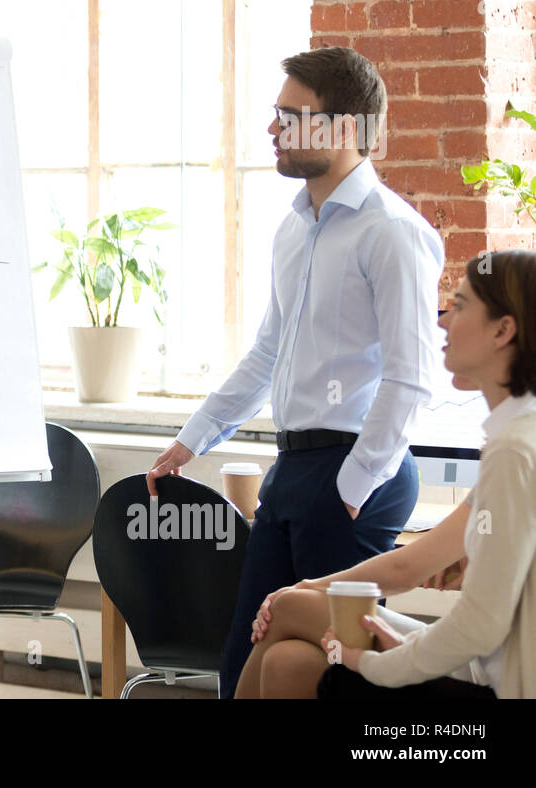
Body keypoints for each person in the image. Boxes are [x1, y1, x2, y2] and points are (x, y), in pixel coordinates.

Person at [146, 47, 444, 697]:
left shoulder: (392, 231)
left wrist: (353, 485)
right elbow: (266, 354)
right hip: (294, 468)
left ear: (341, 129)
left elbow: (411, 375)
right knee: (243, 662)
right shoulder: (292, 230)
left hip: (350, 471)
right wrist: (193, 438)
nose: (273, 128)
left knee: (329, 674)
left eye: (290, 115)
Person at [238, 250, 536, 699]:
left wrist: (381, 664)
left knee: (291, 611)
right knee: (288, 658)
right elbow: (410, 565)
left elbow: (481, 624)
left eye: (459, 305)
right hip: (483, 662)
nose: (441, 321)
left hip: (500, 681)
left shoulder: (515, 450)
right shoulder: (514, 439)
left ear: (503, 330)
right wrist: (310, 585)